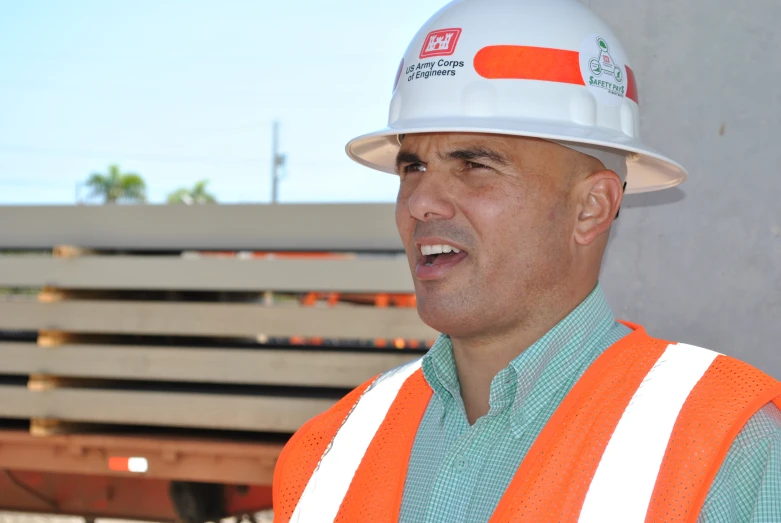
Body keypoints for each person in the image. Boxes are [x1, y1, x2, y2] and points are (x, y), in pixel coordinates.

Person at [273, 0, 781, 521]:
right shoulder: (328, 453)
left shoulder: (731, 451)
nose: (420, 201)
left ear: (592, 207)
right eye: (414, 167)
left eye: (473, 164)